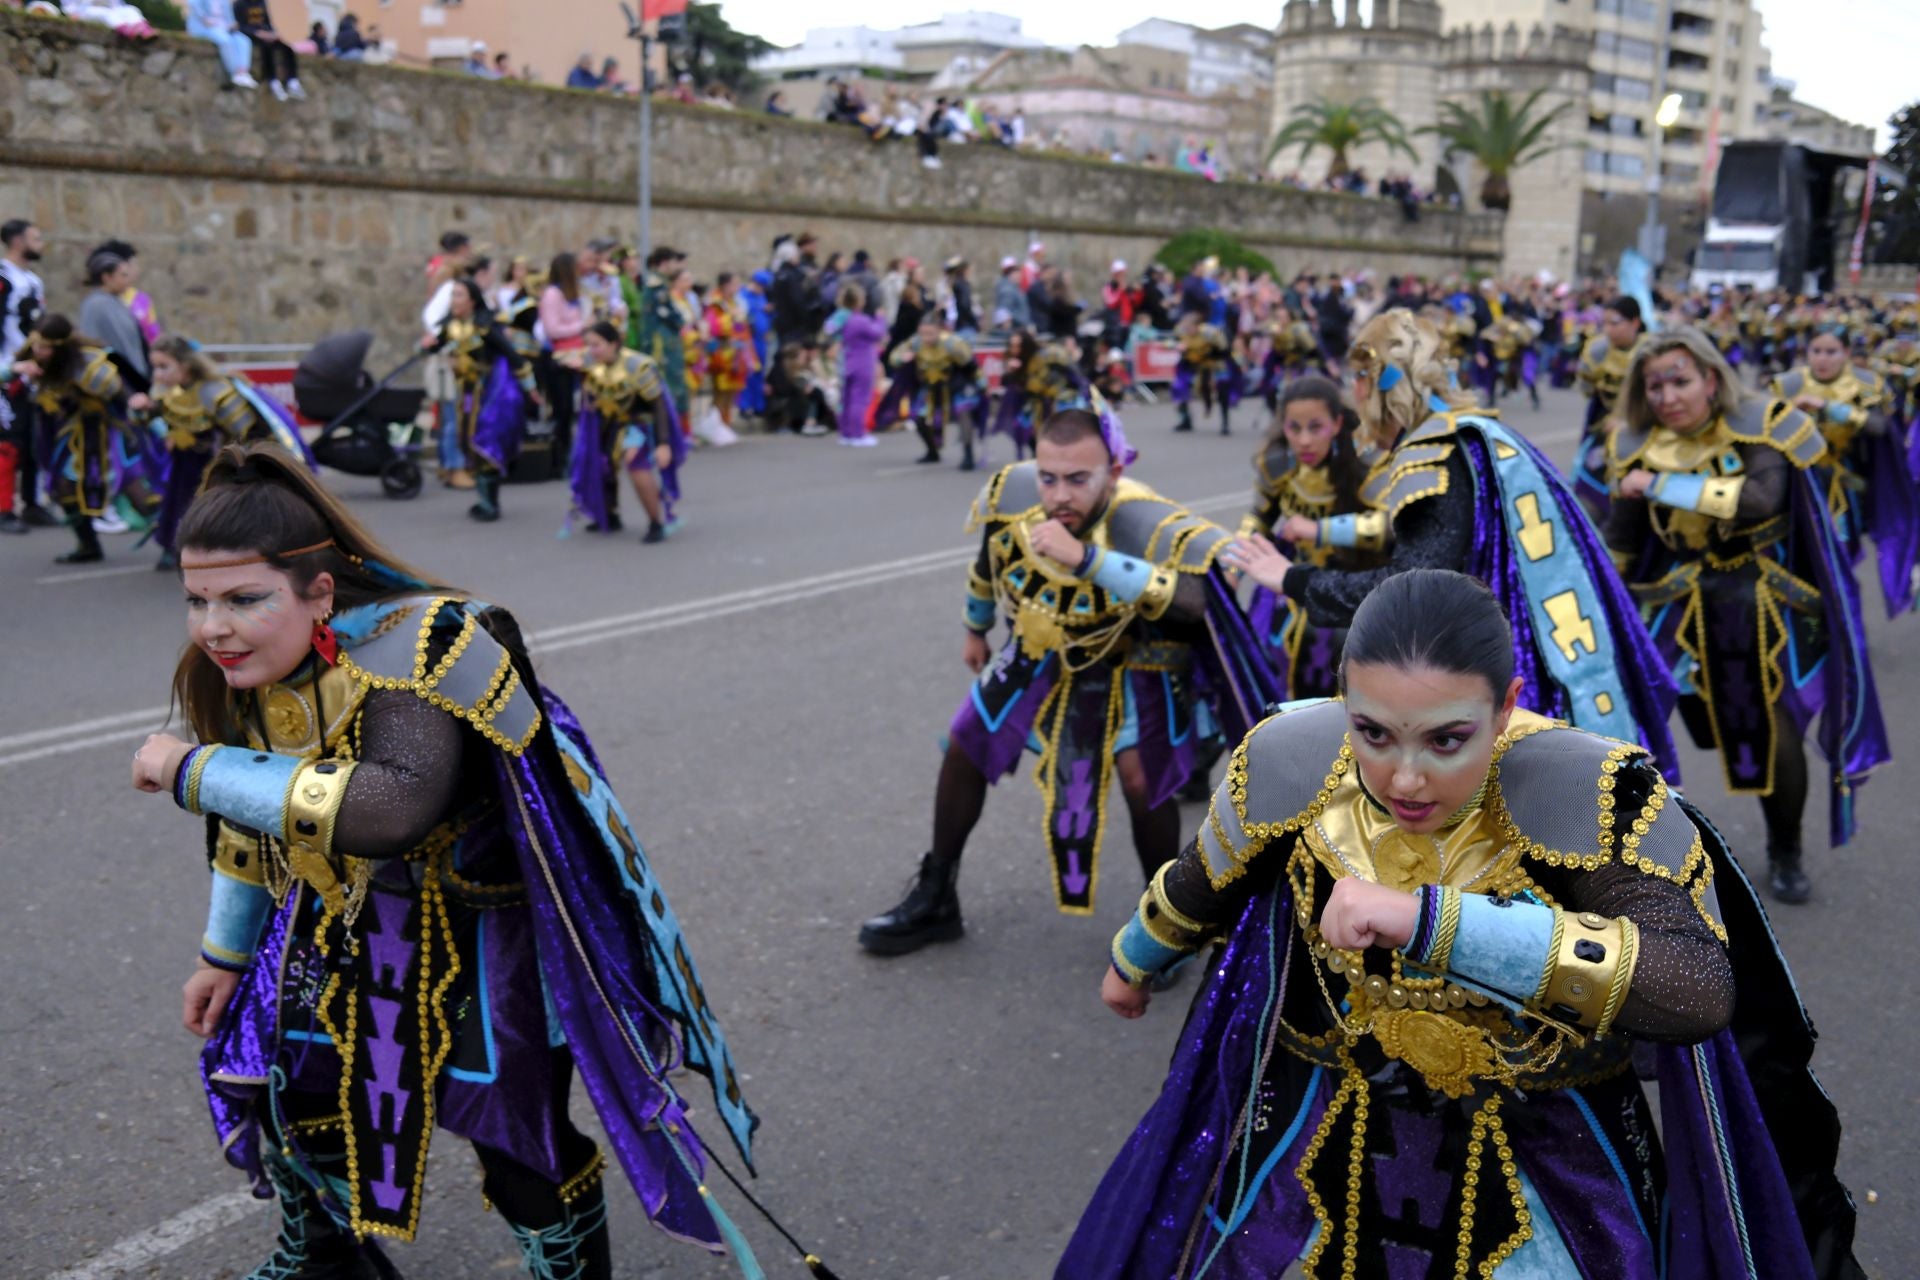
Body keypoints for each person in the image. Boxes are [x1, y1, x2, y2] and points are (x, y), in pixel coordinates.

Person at [1063, 568, 1862, 1280]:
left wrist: (1433, 923)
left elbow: (1697, 991)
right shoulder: (1295, 760)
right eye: (1372, 732)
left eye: (1448, 740)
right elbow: (1205, 880)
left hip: (1544, 1152)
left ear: (1507, 705)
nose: (1405, 776)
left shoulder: (1579, 793)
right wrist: (1132, 963)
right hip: (1320, 1136)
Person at [126, 444, 775, 1279]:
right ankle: (332, 1260)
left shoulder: (423, 642)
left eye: (245, 598)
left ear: (319, 590)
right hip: (342, 913)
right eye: (197, 599)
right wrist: (222, 952)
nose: (215, 625)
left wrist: (193, 768)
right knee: (282, 1077)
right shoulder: (242, 665)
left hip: (483, 929)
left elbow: (392, 806)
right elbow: (256, 824)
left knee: (515, 1141)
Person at [857, 406, 1279, 953]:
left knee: (1141, 777)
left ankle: (1170, 925)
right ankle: (937, 894)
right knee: (965, 745)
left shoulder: (1143, 517)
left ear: (1115, 471)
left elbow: (1199, 599)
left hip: (1133, 659)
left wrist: (1088, 561)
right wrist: (975, 627)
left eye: (1079, 480)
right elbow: (988, 556)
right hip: (1045, 646)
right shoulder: (1016, 492)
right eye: (1049, 476)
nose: (1059, 495)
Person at [1226, 308, 1680, 775]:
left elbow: (1406, 590)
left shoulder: (1434, 454)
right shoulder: (1473, 433)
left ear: (1378, 381)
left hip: (1494, 676)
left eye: (1358, 379)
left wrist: (1293, 579)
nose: (1354, 396)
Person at [1607, 328, 1888, 903]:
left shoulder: (1763, 422)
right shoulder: (1634, 442)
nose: (1666, 396)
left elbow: (1761, 499)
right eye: (1654, 385)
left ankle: (1785, 848)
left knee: (1771, 733)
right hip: (1674, 603)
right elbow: (1625, 541)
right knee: (1636, 724)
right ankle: (1637, 858)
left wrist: (1658, 483)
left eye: (1679, 380)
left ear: (1711, 379)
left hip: (1758, 598)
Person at [1239, 376, 1381, 699]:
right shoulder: (1277, 463)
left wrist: (1322, 530)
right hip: (1291, 582)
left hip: (1350, 586)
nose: (1304, 440)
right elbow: (1259, 516)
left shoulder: (1365, 462)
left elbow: (1388, 528)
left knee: (1339, 663)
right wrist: (1234, 564)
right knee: (1268, 651)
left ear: (1337, 423)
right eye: (1294, 428)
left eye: (1315, 428)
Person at [1771, 321, 1917, 618]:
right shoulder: (1787, 384)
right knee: (1796, 555)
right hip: (1796, 486)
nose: (1823, 359)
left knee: (1839, 556)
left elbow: (1881, 428)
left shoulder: (1866, 384)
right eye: (1816, 351)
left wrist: (1828, 407)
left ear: (1847, 353)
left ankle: (1842, 620)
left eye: (1831, 351)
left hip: (1843, 488)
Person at [144, 334, 314, 564]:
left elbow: (244, 431)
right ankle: (175, 547)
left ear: (184, 366)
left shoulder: (216, 390)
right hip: (184, 460)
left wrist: (235, 462)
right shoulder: (165, 391)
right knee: (178, 502)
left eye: (164, 366)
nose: (157, 374)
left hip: (216, 458)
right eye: (154, 367)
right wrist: (142, 409)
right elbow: (153, 419)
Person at [10, 315, 138, 563]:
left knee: (133, 486)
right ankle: (88, 545)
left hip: (102, 433)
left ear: (60, 347)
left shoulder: (88, 366)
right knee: (63, 487)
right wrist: (16, 369)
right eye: (36, 344)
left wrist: (145, 421)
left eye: (45, 346)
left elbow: (126, 397)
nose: (38, 350)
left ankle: (176, 544)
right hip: (63, 432)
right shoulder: (32, 356)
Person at [424, 279, 540, 523]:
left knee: (485, 442)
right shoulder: (450, 326)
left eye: (459, 295)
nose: (453, 300)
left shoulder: (485, 327)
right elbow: (434, 347)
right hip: (465, 394)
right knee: (467, 442)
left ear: (472, 300)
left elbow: (514, 357)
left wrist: (531, 390)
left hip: (491, 393)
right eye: (452, 295)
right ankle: (483, 498)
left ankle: (490, 503)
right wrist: (426, 347)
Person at [572, 320, 680, 544]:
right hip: (608, 422)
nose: (591, 350)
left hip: (638, 423)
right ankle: (610, 514)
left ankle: (655, 522)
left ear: (614, 343)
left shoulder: (638, 366)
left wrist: (662, 443)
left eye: (597, 345)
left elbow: (658, 405)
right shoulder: (591, 362)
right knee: (602, 465)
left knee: (636, 465)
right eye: (589, 345)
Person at [875, 314, 985, 469]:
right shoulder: (915, 343)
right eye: (923, 333)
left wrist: (982, 385)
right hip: (930, 387)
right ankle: (932, 451)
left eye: (930, 333)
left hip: (955, 385)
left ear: (939, 330)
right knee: (917, 415)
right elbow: (894, 357)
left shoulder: (953, 344)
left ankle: (968, 454)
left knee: (964, 412)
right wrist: (902, 358)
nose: (926, 338)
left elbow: (971, 365)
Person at [1572, 296, 1646, 522]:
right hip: (1603, 428)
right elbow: (1587, 389)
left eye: (1615, 323)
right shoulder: (1597, 350)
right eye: (1605, 323)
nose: (1609, 330)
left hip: (1641, 428)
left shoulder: (1650, 352)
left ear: (1635, 323)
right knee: (1588, 484)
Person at [1, 218, 52, 533]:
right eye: (36, 237)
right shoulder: (3, 277)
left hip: (34, 375)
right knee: (9, 443)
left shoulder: (33, 280)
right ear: (18, 241)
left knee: (35, 442)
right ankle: (4, 508)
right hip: (8, 374)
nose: (41, 243)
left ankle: (33, 504)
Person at [990, 328, 1087, 461]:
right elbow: (1009, 385)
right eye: (1012, 346)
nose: (1014, 349)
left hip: (1058, 401)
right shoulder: (1013, 360)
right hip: (1035, 404)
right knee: (1028, 433)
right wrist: (1013, 373)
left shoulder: (1049, 355)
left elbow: (1071, 376)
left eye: (1018, 346)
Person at [539, 251, 590, 465]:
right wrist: (581, 326)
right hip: (559, 358)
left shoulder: (573, 294)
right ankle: (560, 456)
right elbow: (552, 329)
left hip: (578, 354)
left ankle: (575, 452)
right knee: (563, 408)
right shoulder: (552, 294)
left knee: (577, 406)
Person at [1169, 310, 1239, 435]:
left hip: (1214, 361)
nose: (1187, 331)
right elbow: (1170, 342)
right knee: (1179, 386)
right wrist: (1178, 347)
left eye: (1190, 328)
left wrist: (1208, 353)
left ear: (1198, 326)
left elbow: (1225, 351)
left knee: (1223, 386)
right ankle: (1186, 420)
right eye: (1185, 327)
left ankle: (1225, 423)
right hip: (1193, 362)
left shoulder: (1211, 334)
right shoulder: (1180, 332)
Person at [833, 283, 886, 447]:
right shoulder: (860, 320)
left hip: (847, 360)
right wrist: (880, 318)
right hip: (862, 362)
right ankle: (858, 434)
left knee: (847, 399)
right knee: (859, 399)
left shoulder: (843, 318)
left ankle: (846, 432)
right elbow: (878, 333)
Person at [702, 272, 755, 434]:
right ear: (725, 285)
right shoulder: (715, 303)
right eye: (735, 284)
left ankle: (725, 423)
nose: (737, 287)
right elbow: (713, 326)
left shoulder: (734, 303)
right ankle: (715, 424)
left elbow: (742, 325)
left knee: (732, 390)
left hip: (736, 352)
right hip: (721, 350)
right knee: (721, 389)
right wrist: (731, 320)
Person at [232, 0, 303, 101]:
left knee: (287, 48)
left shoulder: (262, 3)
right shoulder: (239, 4)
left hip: (266, 34)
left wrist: (272, 33)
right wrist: (256, 33)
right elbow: (240, 26)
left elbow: (268, 22)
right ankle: (273, 81)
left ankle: (293, 81)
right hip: (252, 37)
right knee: (266, 48)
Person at [186, 0, 258, 88]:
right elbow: (195, 6)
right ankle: (235, 72)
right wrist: (204, 18)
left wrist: (232, 24)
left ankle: (243, 71)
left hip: (224, 27)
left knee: (244, 41)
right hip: (205, 27)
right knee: (225, 41)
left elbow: (229, 16)